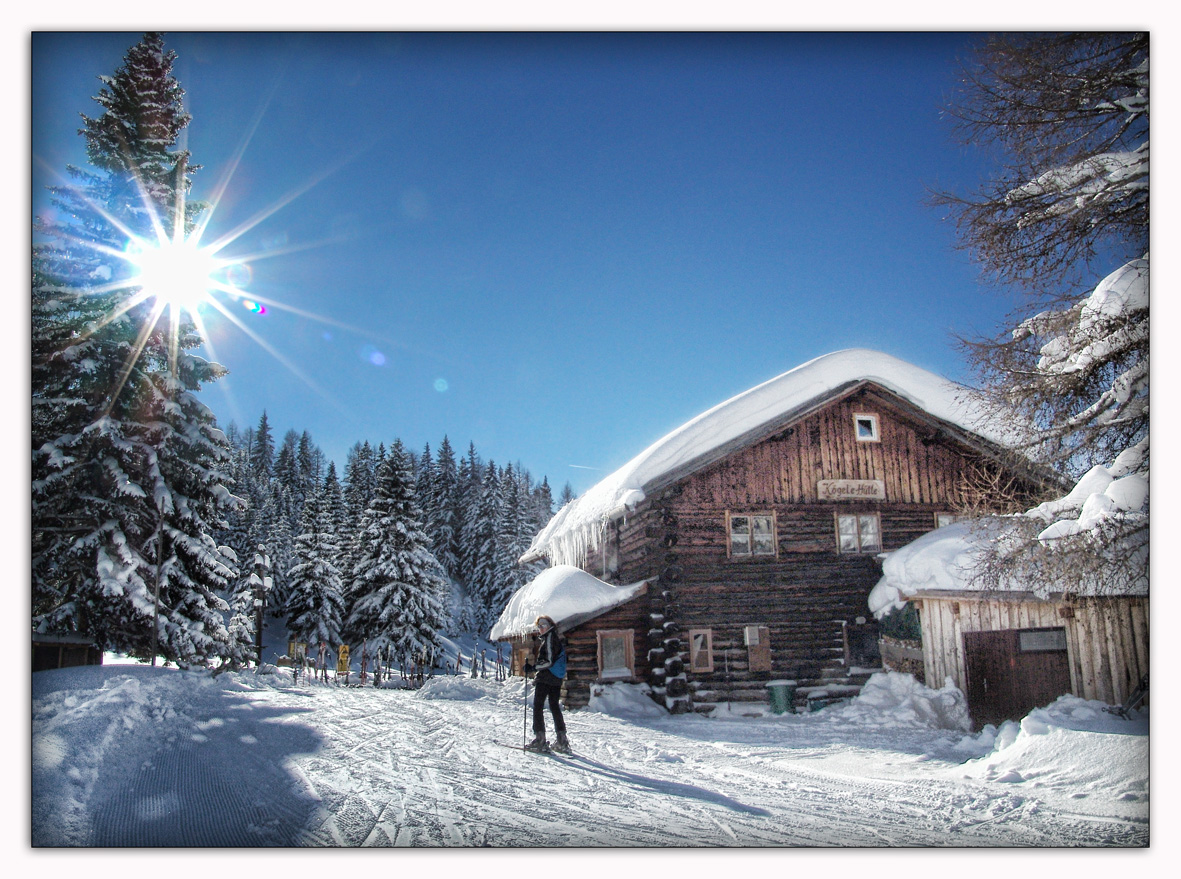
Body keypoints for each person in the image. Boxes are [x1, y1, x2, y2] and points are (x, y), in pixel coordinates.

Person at [524, 615, 569, 754]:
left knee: (538, 705)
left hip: (546, 677)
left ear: (550, 625)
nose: (541, 628)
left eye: (543, 624)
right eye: (539, 626)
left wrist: (533, 667)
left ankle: (540, 739)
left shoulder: (549, 639)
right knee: (554, 706)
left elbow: (548, 661)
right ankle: (562, 740)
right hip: (556, 678)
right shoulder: (555, 638)